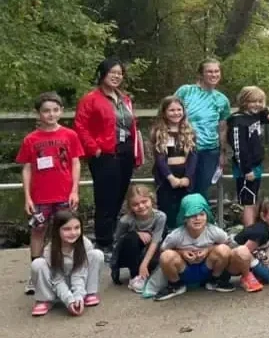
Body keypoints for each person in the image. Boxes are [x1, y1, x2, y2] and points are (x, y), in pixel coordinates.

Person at [73, 58, 144, 258]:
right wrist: (94, 148)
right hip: (105, 154)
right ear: (102, 74)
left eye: (120, 73)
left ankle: (113, 237)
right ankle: (103, 242)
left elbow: (131, 125)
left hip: (126, 152)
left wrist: (137, 152)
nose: (116, 76)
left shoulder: (124, 99)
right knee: (105, 198)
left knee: (120, 196)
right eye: (112, 72)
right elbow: (80, 126)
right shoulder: (91, 99)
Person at [17, 92, 83, 295]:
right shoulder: (31, 139)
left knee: (64, 233)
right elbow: (27, 167)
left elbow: (75, 162)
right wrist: (27, 196)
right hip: (40, 196)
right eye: (46, 111)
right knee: (38, 232)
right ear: (38, 113)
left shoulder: (69, 135)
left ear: (61, 111)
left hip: (64, 194)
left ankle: (64, 271)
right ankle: (36, 274)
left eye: (55, 110)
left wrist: (74, 190)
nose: (51, 114)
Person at [153, 194, 252, 301]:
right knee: (166, 256)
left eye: (201, 214)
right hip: (184, 269)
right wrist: (181, 252)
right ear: (184, 218)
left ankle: (215, 280)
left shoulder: (213, 231)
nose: (197, 218)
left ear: (207, 216)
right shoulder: (176, 235)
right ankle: (175, 285)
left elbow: (228, 245)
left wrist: (209, 250)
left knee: (223, 249)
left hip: (207, 268)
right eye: (192, 215)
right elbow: (163, 250)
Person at [174, 59, 231, 199]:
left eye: (217, 71)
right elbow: (170, 112)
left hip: (210, 150)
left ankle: (199, 218)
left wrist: (223, 153)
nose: (213, 74)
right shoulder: (186, 91)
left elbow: (223, 128)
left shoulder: (222, 99)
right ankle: (182, 219)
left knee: (202, 188)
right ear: (201, 74)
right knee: (182, 186)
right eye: (209, 71)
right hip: (184, 147)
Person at [29, 209, 104, 317]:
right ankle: (45, 300)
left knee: (97, 254)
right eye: (67, 229)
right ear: (57, 230)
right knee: (38, 264)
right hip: (57, 285)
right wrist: (69, 301)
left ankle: (89, 293)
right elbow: (57, 279)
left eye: (77, 228)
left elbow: (79, 273)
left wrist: (78, 296)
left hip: (79, 282)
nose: (73, 233)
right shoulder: (49, 250)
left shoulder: (85, 244)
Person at [227, 86, 269, 226]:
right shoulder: (237, 121)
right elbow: (239, 148)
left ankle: (254, 228)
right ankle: (248, 231)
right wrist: (246, 169)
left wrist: (267, 112)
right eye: (253, 101)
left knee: (254, 197)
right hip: (245, 168)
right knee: (248, 201)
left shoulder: (255, 116)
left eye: (260, 101)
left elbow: (267, 116)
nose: (257, 105)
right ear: (243, 101)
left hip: (257, 164)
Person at [151, 96, 197, 229]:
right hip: (167, 178)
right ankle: (167, 235)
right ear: (164, 112)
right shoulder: (159, 132)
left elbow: (193, 157)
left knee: (184, 208)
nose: (176, 113)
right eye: (171, 110)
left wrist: (188, 177)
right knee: (167, 208)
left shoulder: (190, 132)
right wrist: (170, 178)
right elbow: (159, 159)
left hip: (185, 177)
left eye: (179, 109)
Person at [110, 185, 166, 293]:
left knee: (160, 240)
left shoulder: (160, 217)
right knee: (132, 238)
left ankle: (148, 270)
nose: (141, 206)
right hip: (129, 253)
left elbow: (156, 241)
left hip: (149, 250)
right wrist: (135, 233)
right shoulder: (125, 220)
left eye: (144, 201)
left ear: (151, 199)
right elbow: (117, 241)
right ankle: (135, 275)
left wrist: (144, 264)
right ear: (130, 206)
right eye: (135, 204)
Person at [233, 197, 269, 290]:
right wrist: (261, 269)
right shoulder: (261, 232)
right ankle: (246, 276)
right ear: (264, 217)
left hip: (253, 254)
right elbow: (244, 252)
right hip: (235, 259)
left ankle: (265, 264)